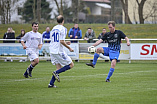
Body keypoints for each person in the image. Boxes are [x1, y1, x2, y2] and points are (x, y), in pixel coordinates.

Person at [48, 15, 74, 88]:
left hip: (52, 50)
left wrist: (66, 42)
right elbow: (61, 41)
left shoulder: (54, 28)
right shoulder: (63, 29)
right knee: (71, 64)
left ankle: (51, 84)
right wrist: (69, 47)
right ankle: (56, 73)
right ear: (63, 21)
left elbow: (55, 39)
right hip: (58, 50)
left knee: (58, 67)